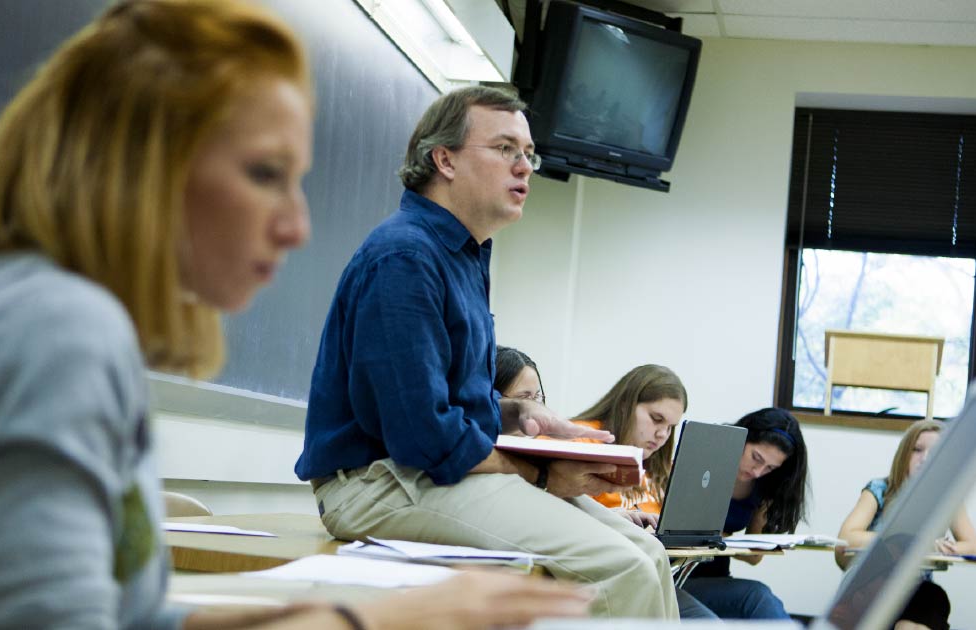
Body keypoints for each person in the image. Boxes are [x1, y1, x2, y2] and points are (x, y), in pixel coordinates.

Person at [0, 1, 591, 628]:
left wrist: (344, 612)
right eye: (263, 174)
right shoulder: (52, 335)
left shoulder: (67, 323)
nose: (294, 225)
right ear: (146, 167)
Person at [295, 86, 681, 620]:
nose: (525, 167)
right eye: (505, 149)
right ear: (445, 159)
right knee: (620, 567)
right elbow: (422, 435)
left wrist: (521, 414)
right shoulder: (406, 257)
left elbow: (446, 400)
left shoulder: (462, 254)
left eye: (529, 154)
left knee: (648, 553)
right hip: (375, 486)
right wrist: (543, 475)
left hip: (423, 473)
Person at [561, 364, 722, 620]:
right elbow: (552, 510)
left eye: (670, 427)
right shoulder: (582, 440)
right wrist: (609, 517)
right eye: (656, 419)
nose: (662, 435)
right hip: (606, 577)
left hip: (655, 573)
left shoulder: (657, 465)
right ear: (625, 405)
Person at [836, 419, 976, 630]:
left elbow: (974, 547)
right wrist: (906, 543)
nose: (926, 458)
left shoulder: (947, 495)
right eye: (917, 450)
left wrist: (941, 547)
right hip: (871, 586)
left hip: (916, 590)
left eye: (936, 452)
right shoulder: (879, 490)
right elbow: (847, 537)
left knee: (932, 600)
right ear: (904, 454)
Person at [680, 407, 810, 620]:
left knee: (760, 598)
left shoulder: (763, 486)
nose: (758, 471)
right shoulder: (704, 458)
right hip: (676, 576)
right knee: (757, 597)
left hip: (716, 578)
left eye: (770, 467)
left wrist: (722, 539)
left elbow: (754, 555)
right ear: (741, 438)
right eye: (756, 457)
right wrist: (717, 537)